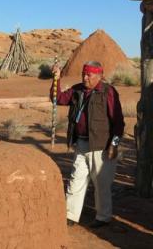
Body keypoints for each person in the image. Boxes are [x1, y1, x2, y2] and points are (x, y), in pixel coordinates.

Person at [50, 61, 125, 228]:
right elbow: (58, 99)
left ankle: (103, 217)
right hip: (81, 143)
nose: (85, 77)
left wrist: (114, 145)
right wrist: (56, 79)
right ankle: (70, 214)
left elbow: (118, 122)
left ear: (99, 75)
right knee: (76, 180)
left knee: (101, 184)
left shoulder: (108, 92)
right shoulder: (78, 90)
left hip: (102, 146)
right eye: (83, 74)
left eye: (88, 75)